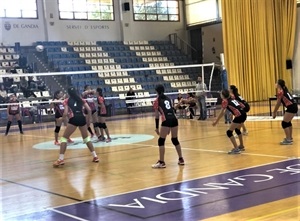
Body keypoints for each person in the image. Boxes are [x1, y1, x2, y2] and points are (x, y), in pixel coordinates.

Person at [53, 87, 99, 167]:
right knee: (86, 139)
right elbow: (89, 109)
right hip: (82, 119)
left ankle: (61, 159)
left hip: (73, 119)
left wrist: (61, 118)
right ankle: (95, 156)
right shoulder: (81, 99)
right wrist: (89, 120)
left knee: (64, 139)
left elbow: (65, 113)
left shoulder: (66, 100)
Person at [152, 84, 184, 168]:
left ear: (156, 91)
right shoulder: (168, 99)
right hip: (174, 119)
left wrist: (156, 127)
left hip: (166, 120)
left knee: (161, 141)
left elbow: (157, 116)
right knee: (174, 139)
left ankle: (161, 162)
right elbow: (171, 110)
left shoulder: (156, 101)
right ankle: (181, 159)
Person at [212, 89, 247, 154]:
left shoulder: (225, 101)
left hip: (239, 116)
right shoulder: (232, 99)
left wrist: (216, 121)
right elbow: (242, 106)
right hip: (244, 114)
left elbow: (222, 112)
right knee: (237, 130)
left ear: (223, 95)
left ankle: (236, 149)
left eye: (221, 94)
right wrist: (233, 112)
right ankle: (241, 146)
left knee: (229, 132)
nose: (220, 95)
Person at [272, 79, 298, 145]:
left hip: (291, 107)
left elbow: (278, 103)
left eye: (276, 83)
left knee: (284, 123)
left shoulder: (280, 92)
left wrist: (274, 112)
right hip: (294, 106)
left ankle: (288, 139)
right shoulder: (285, 90)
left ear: (279, 85)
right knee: (288, 122)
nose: (275, 84)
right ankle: (290, 137)